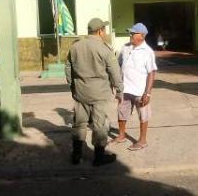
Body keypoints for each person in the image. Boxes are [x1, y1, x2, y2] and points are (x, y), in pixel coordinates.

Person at [65, 18, 123, 166]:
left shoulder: (75, 47)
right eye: (104, 30)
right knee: (99, 125)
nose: (105, 32)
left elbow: (68, 68)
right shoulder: (105, 49)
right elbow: (114, 71)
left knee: (79, 123)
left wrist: (72, 86)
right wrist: (119, 90)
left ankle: (76, 155)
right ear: (99, 31)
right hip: (99, 93)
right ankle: (99, 157)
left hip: (81, 92)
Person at [112, 22, 158, 151]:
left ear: (142, 35)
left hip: (140, 91)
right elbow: (118, 65)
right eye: (130, 32)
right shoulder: (125, 47)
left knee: (143, 115)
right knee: (121, 112)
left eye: (133, 33)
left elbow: (151, 73)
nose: (130, 35)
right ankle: (121, 135)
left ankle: (142, 140)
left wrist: (147, 93)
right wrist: (116, 83)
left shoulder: (147, 52)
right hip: (124, 89)